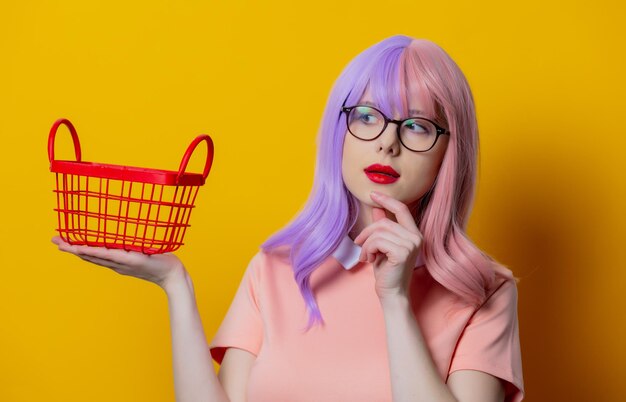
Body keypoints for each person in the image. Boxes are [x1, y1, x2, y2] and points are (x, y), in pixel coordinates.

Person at [52, 34, 524, 402]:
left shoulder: (484, 292)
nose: (387, 141)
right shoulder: (276, 267)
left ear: (449, 152)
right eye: (365, 116)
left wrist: (395, 299)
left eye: (417, 125)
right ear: (339, 130)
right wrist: (175, 285)